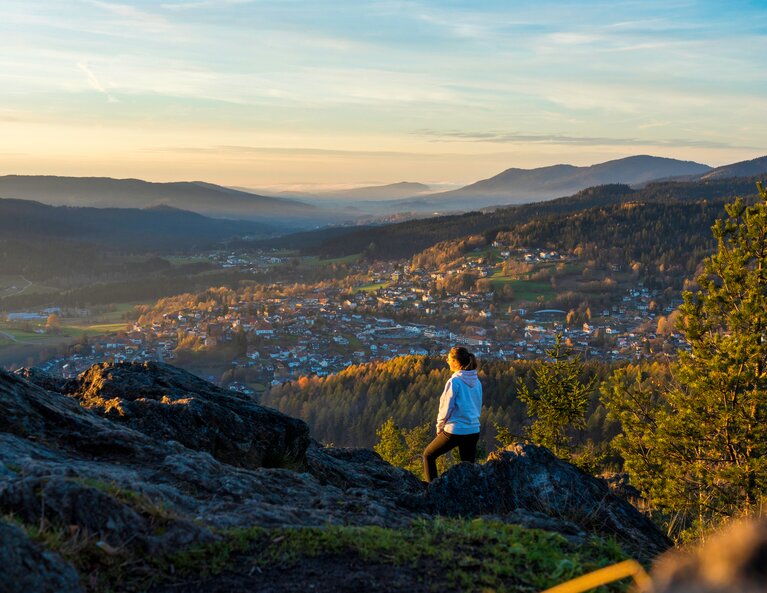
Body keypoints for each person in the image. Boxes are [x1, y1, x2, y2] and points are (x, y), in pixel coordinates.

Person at [422, 346, 482, 483]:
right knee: (468, 469)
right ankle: (469, 496)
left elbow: (445, 408)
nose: (447, 361)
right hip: (473, 430)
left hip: (455, 430)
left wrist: (440, 426)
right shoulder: (477, 382)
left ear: (455, 361)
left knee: (428, 455)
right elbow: (477, 405)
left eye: (448, 358)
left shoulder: (454, 382)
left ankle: (432, 489)